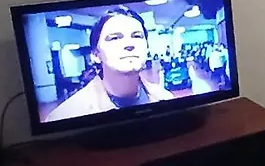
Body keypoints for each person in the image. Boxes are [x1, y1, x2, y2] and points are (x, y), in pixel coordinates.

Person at [44, 7, 172, 122]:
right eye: (114, 38)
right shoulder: (67, 116)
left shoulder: (164, 97)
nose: (129, 44)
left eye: (137, 36)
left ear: (147, 48)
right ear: (96, 54)